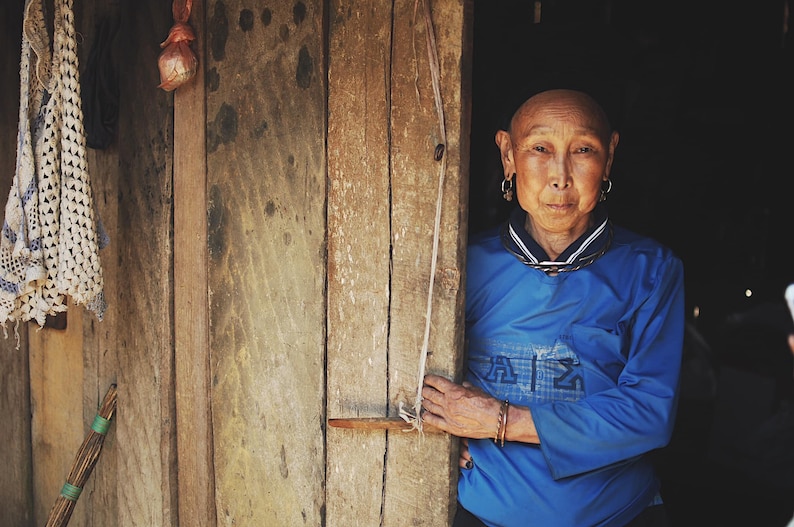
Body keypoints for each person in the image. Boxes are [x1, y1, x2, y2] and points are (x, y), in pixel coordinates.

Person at [420, 87, 685, 527]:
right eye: (539, 148)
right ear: (507, 155)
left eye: (583, 150)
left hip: (620, 516)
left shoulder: (651, 271)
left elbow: (650, 413)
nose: (560, 176)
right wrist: (440, 428)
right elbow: (405, 370)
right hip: (481, 516)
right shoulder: (460, 264)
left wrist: (500, 420)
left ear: (610, 157)